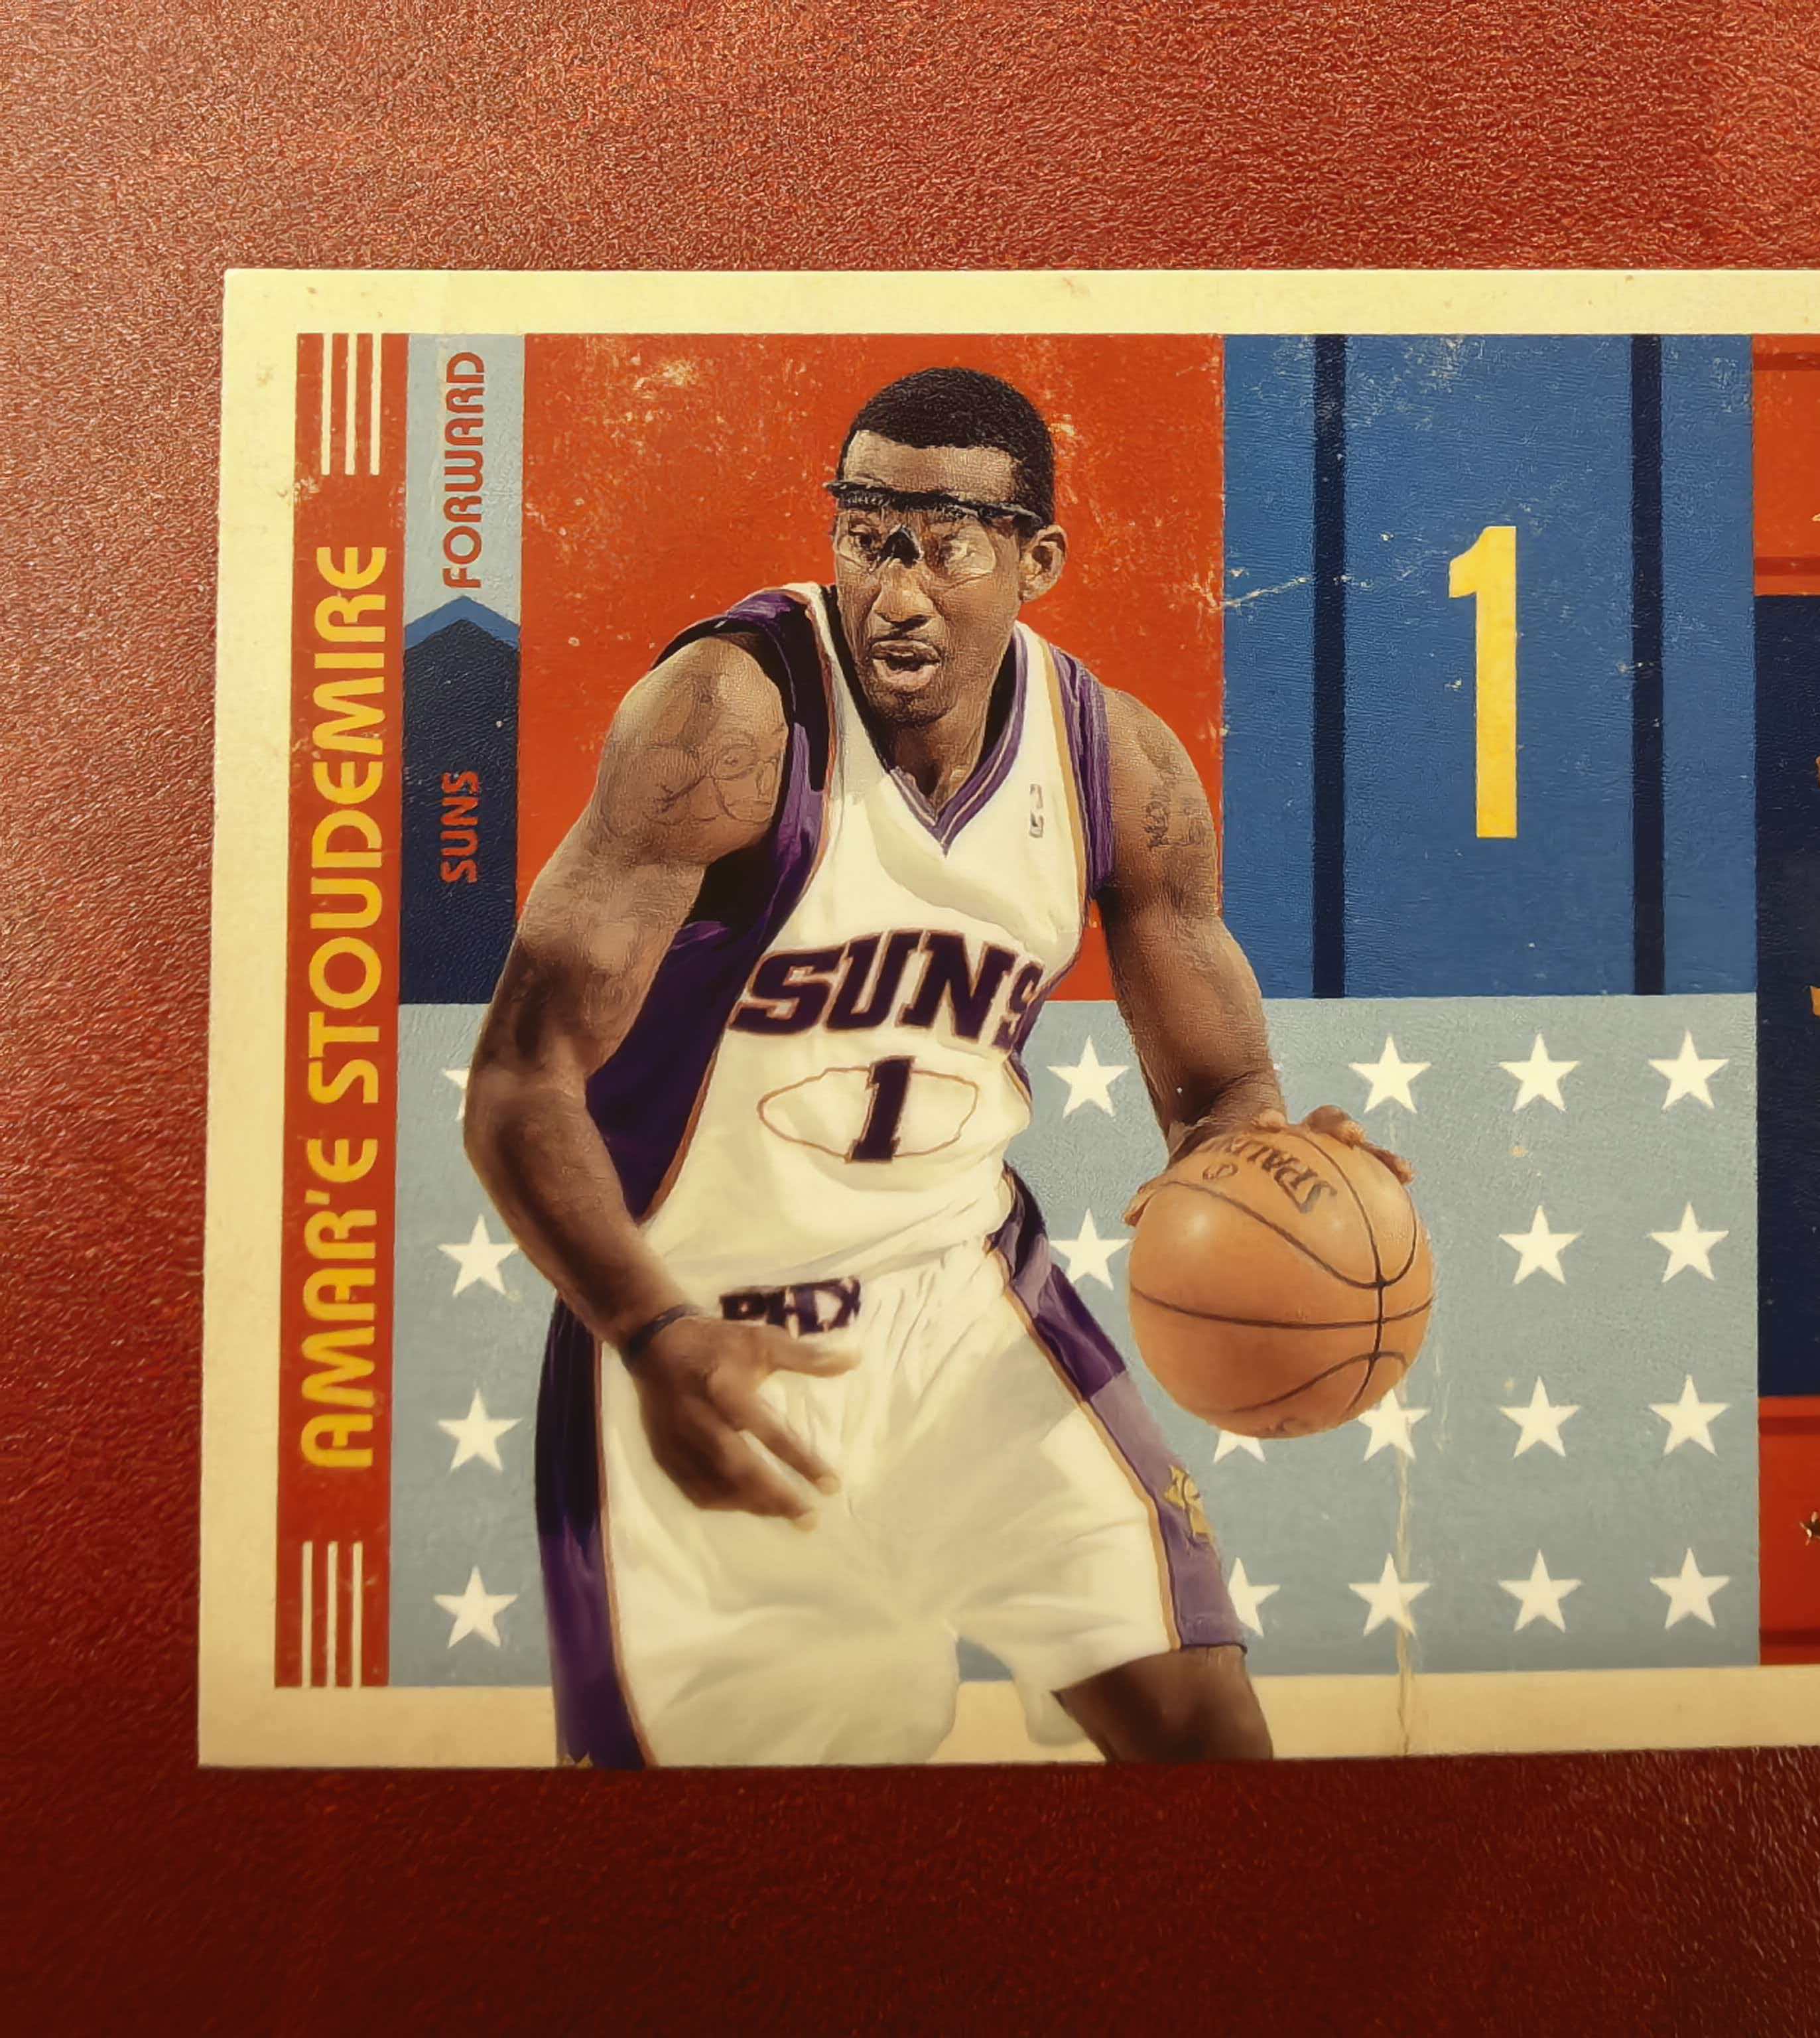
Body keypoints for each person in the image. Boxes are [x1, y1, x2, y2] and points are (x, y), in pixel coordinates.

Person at [464, 367, 1398, 1765]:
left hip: (972, 1318)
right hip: (708, 1332)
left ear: (1036, 562)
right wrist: (649, 1333)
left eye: (945, 549)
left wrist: (1276, 1165)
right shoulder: (726, 722)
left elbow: (1219, 1096)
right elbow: (520, 1083)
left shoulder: (1116, 765)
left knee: (1209, 1743)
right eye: (867, 538)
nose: (895, 594)